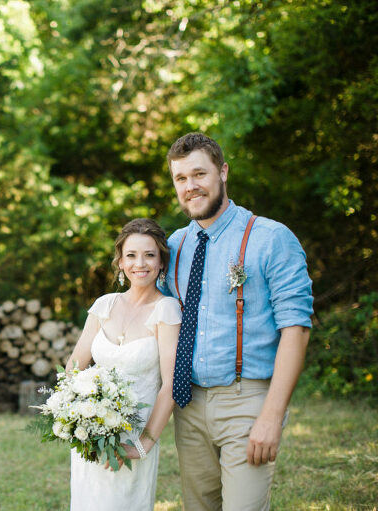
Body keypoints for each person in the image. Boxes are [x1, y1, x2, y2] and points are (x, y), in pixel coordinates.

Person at [163, 132, 314, 511]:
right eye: (181, 179)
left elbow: (296, 329)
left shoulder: (271, 238)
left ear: (223, 172)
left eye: (199, 174)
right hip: (189, 405)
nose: (191, 186)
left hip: (247, 401)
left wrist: (272, 416)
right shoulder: (174, 246)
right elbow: (158, 323)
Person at [65, 218, 182, 511]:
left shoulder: (166, 310)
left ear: (161, 262)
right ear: (120, 262)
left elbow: (170, 385)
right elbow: (73, 368)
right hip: (91, 435)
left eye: (149, 255)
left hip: (134, 435)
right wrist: (83, 422)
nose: (139, 263)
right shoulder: (104, 305)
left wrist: (143, 445)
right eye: (131, 255)